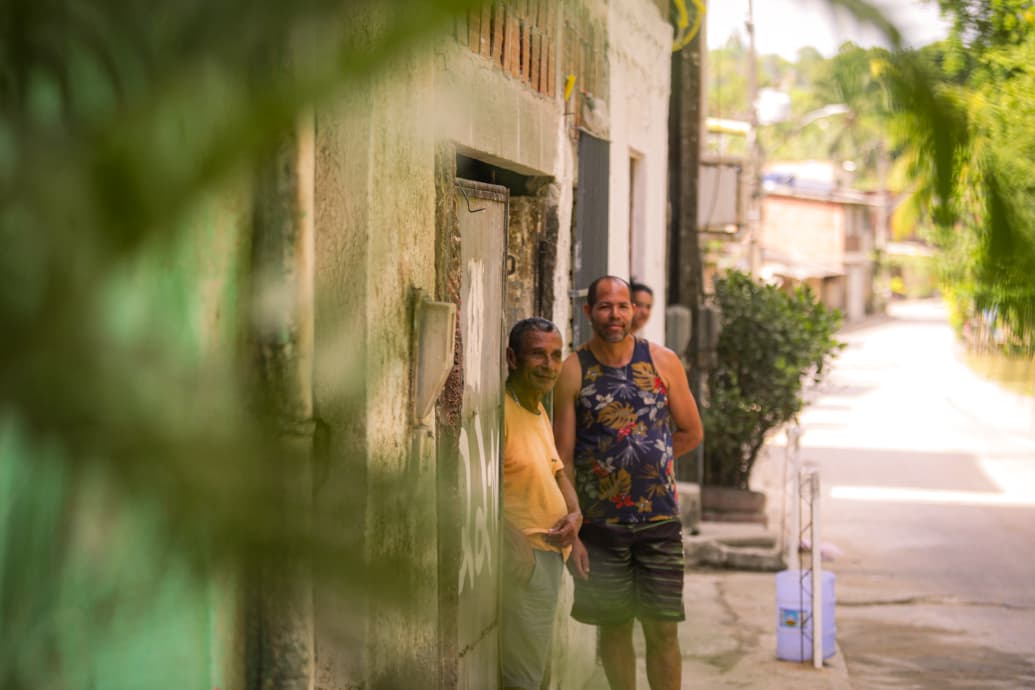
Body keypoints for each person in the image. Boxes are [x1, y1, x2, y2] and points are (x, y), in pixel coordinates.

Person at [553, 276, 703, 690]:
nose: (615, 315)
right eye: (605, 307)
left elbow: (691, 431)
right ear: (589, 312)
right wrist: (574, 531)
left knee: (663, 629)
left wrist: (650, 461)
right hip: (602, 528)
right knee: (614, 629)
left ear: (634, 311)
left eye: (623, 306)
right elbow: (560, 458)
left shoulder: (663, 361)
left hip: (659, 524)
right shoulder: (573, 369)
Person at [501, 317, 583, 690]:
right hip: (525, 558)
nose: (549, 365)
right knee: (523, 678)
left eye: (555, 355)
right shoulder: (499, 411)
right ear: (512, 358)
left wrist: (576, 519)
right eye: (538, 355)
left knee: (534, 672)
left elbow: (558, 472)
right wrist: (509, 537)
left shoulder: (536, 409)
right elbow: (470, 487)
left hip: (550, 556)